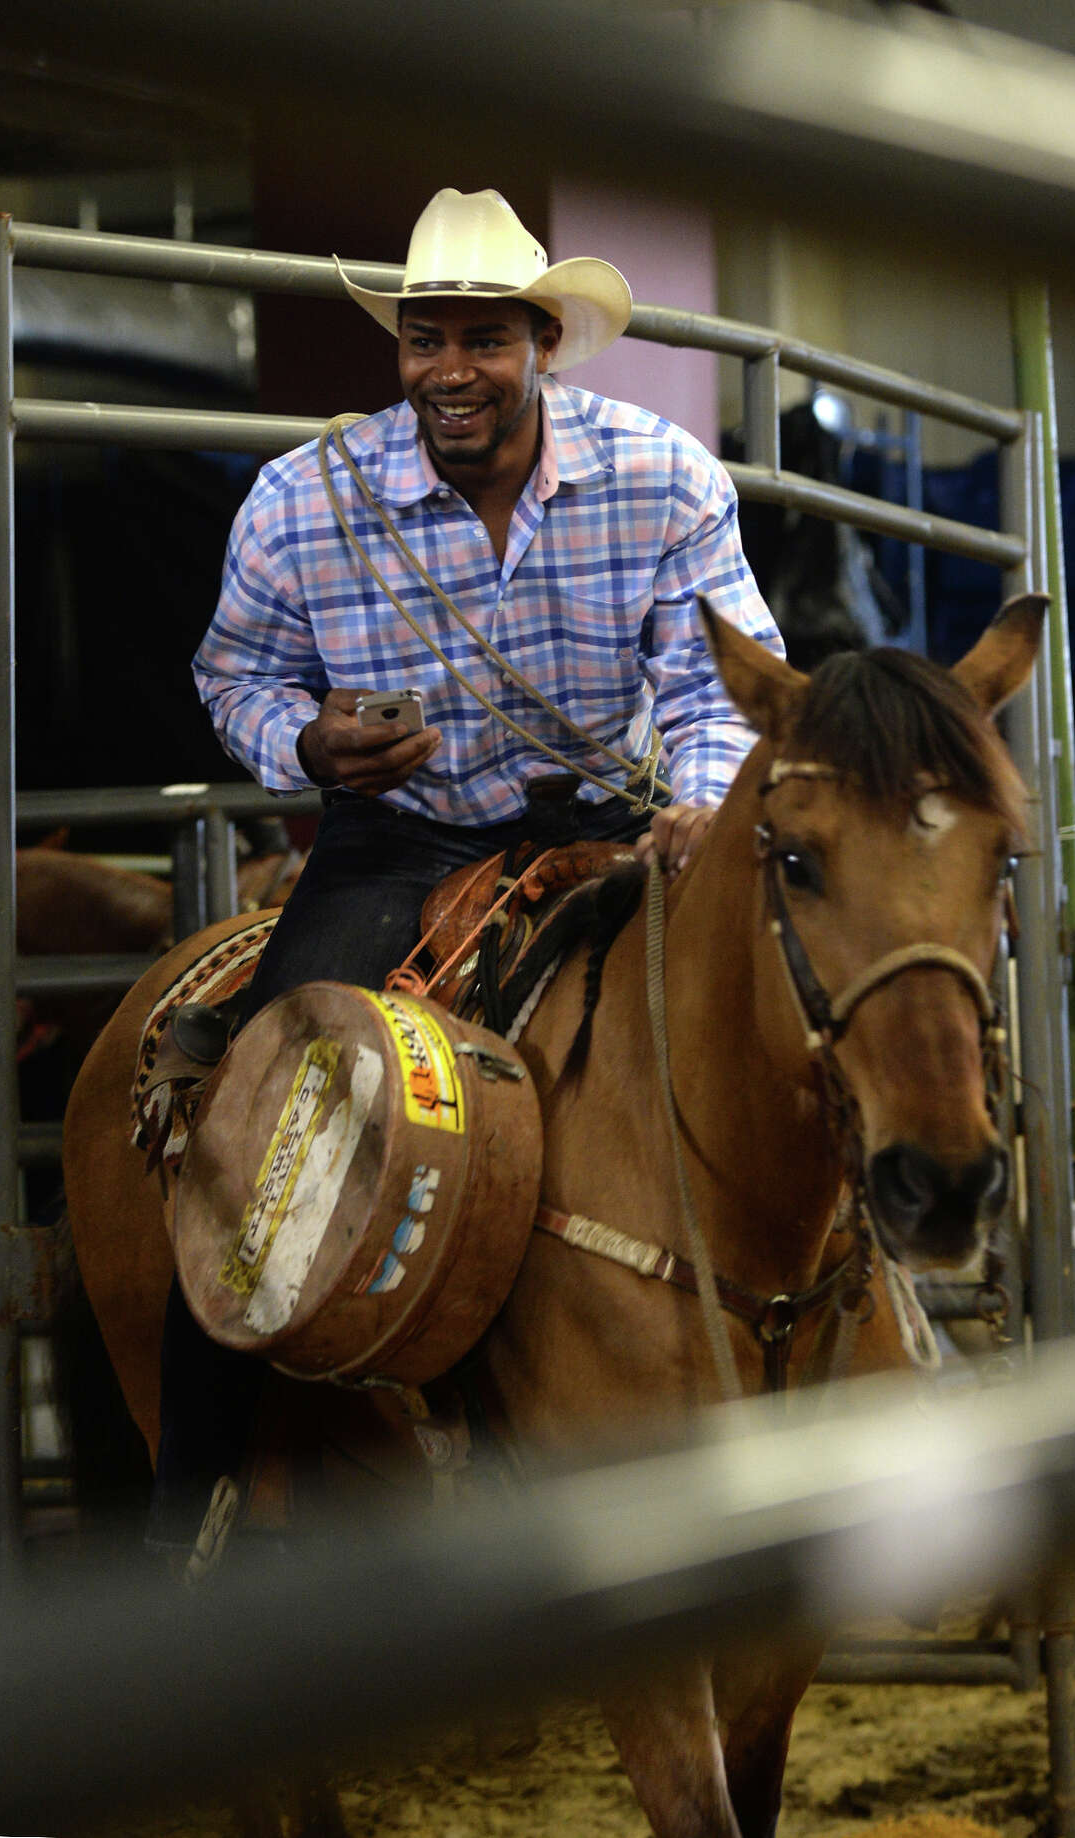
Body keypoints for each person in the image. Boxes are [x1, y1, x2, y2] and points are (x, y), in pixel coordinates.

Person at [149, 186, 783, 1559]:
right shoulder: (302, 500)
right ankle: (187, 1495)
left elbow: (720, 682)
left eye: (482, 338)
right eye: (425, 338)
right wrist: (306, 741)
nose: (450, 370)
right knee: (272, 1107)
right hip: (399, 839)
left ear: (541, 340)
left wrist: (701, 799)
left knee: (761, 1036)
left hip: (601, 830)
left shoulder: (665, 478)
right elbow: (233, 671)